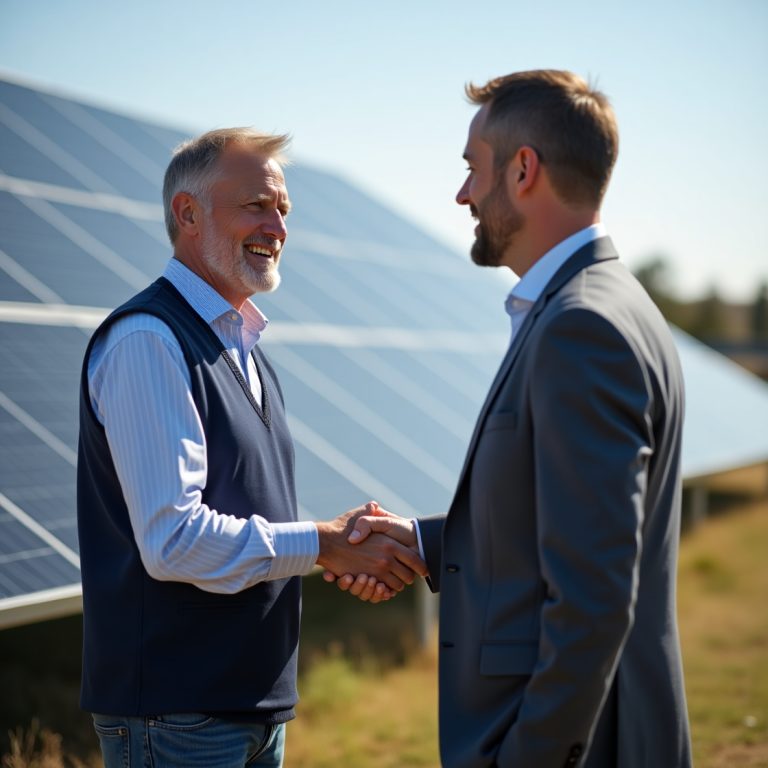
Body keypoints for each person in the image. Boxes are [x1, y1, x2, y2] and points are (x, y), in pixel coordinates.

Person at [334, 70, 693, 767]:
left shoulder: (580, 327)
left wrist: (530, 755)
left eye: (473, 169)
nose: (463, 193)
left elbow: (593, 596)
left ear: (523, 169)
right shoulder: (608, 304)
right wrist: (419, 542)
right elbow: (560, 523)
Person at [76, 127, 426, 768]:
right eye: (256, 205)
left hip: (248, 704)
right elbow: (174, 539)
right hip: (178, 714)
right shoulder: (150, 341)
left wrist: (340, 555)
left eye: (283, 209)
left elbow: (248, 514)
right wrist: (325, 543)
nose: (277, 226)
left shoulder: (245, 351)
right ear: (187, 214)